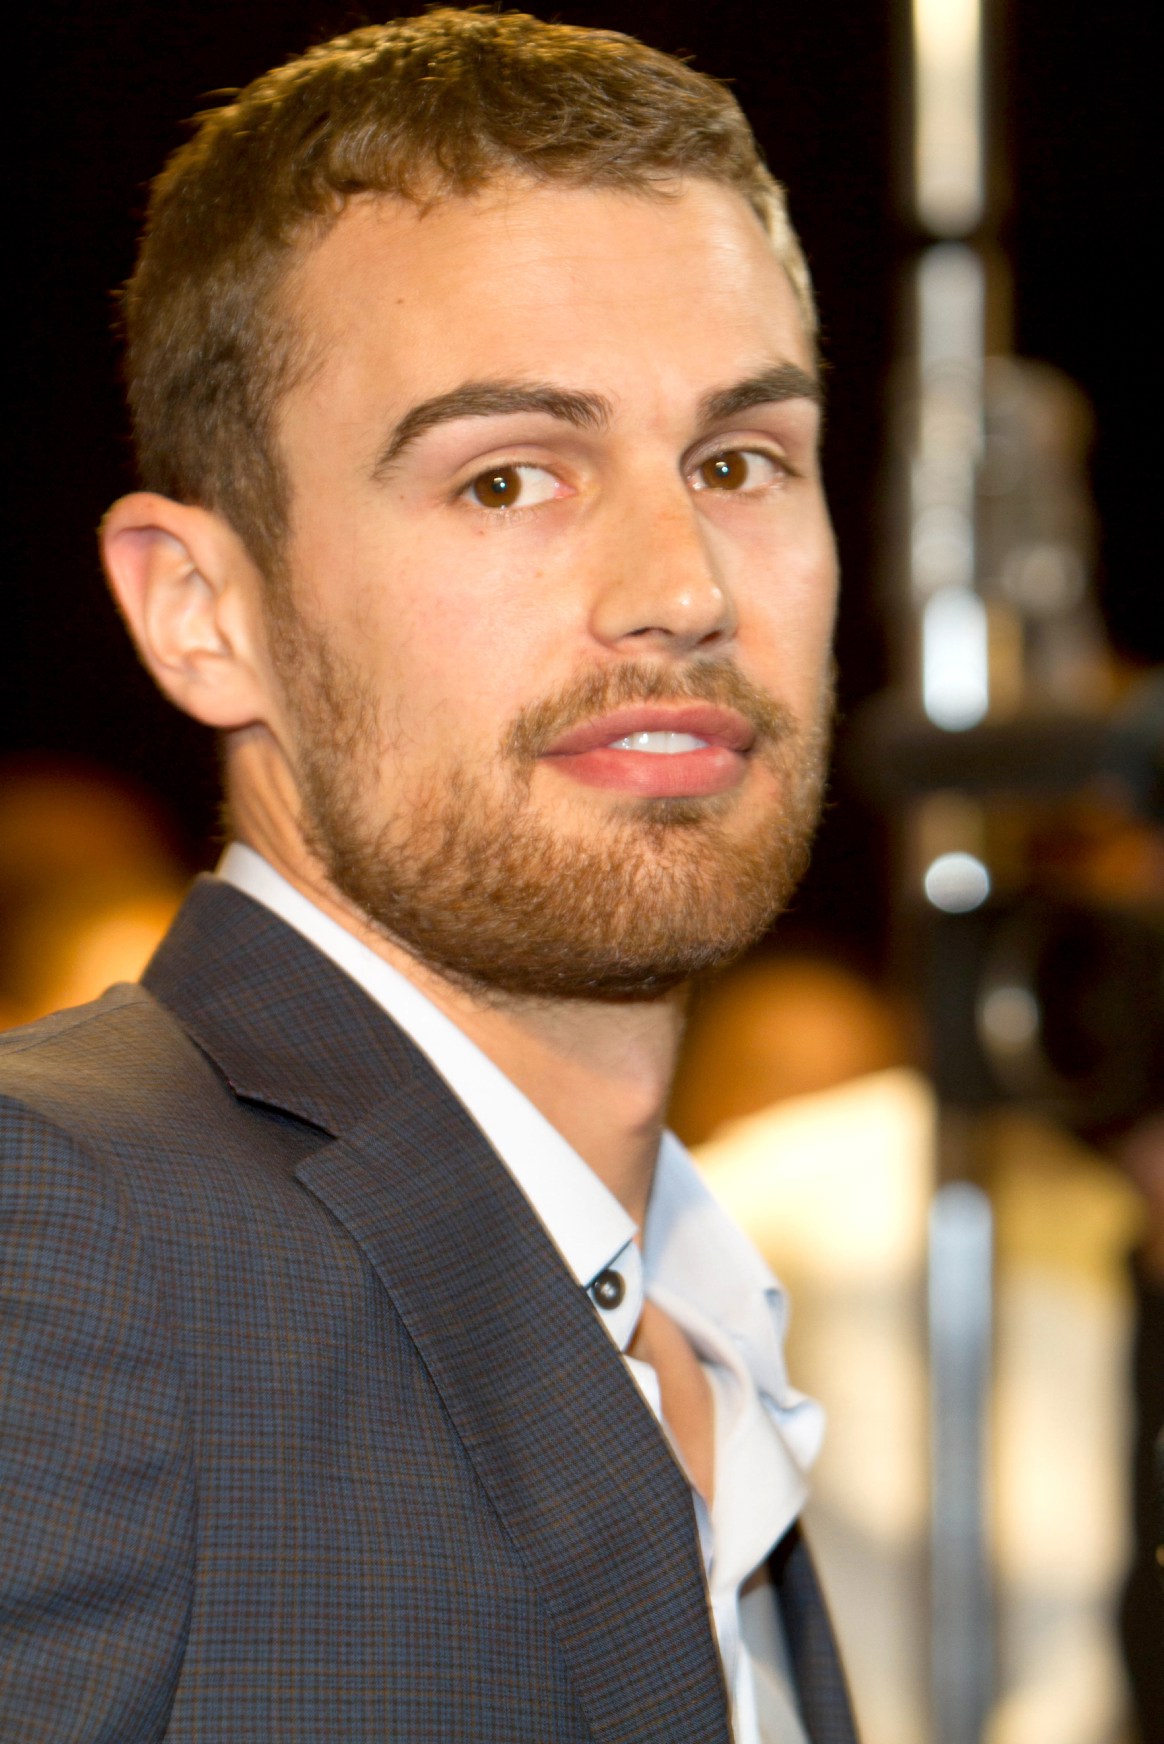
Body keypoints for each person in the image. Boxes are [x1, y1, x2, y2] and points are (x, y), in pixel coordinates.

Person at [0, 11, 854, 1740]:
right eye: (509, 477)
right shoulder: (59, 1230)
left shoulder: (702, 1308)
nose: (682, 587)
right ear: (201, 611)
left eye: (738, 461)